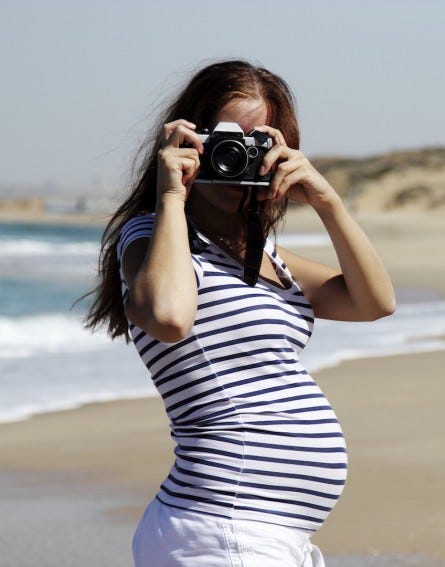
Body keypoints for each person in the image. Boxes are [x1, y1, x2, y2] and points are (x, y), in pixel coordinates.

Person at [84, 60, 396, 566]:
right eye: (224, 140)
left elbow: (374, 302)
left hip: (262, 534)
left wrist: (327, 200)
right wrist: (170, 194)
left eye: (258, 143)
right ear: (188, 138)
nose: (236, 158)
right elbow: (167, 316)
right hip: (223, 527)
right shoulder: (151, 237)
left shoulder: (261, 253)